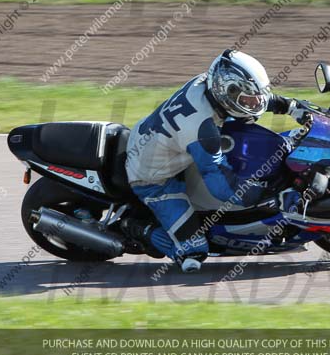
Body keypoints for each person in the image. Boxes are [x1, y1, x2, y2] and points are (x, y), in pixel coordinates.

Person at [122, 50, 304, 273]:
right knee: (194, 253)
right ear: (226, 93)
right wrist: (269, 196)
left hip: (165, 144)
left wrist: (291, 106)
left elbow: (248, 101)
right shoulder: (203, 128)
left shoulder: (209, 83)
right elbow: (220, 185)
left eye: (255, 96)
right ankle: (135, 227)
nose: (255, 103)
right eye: (248, 99)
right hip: (153, 177)